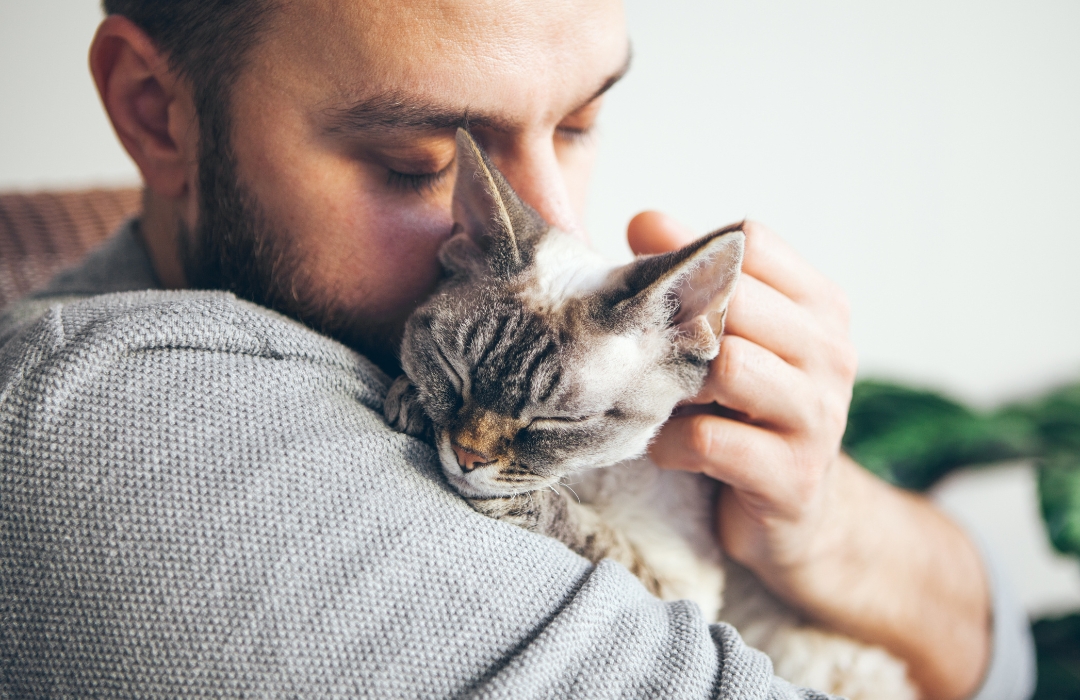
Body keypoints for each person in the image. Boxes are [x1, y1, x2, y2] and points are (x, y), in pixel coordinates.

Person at [0, 0, 1033, 698]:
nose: (550, 223)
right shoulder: (117, 432)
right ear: (154, 111)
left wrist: (821, 523)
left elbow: (1003, 658)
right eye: (422, 163)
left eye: (580, 122)